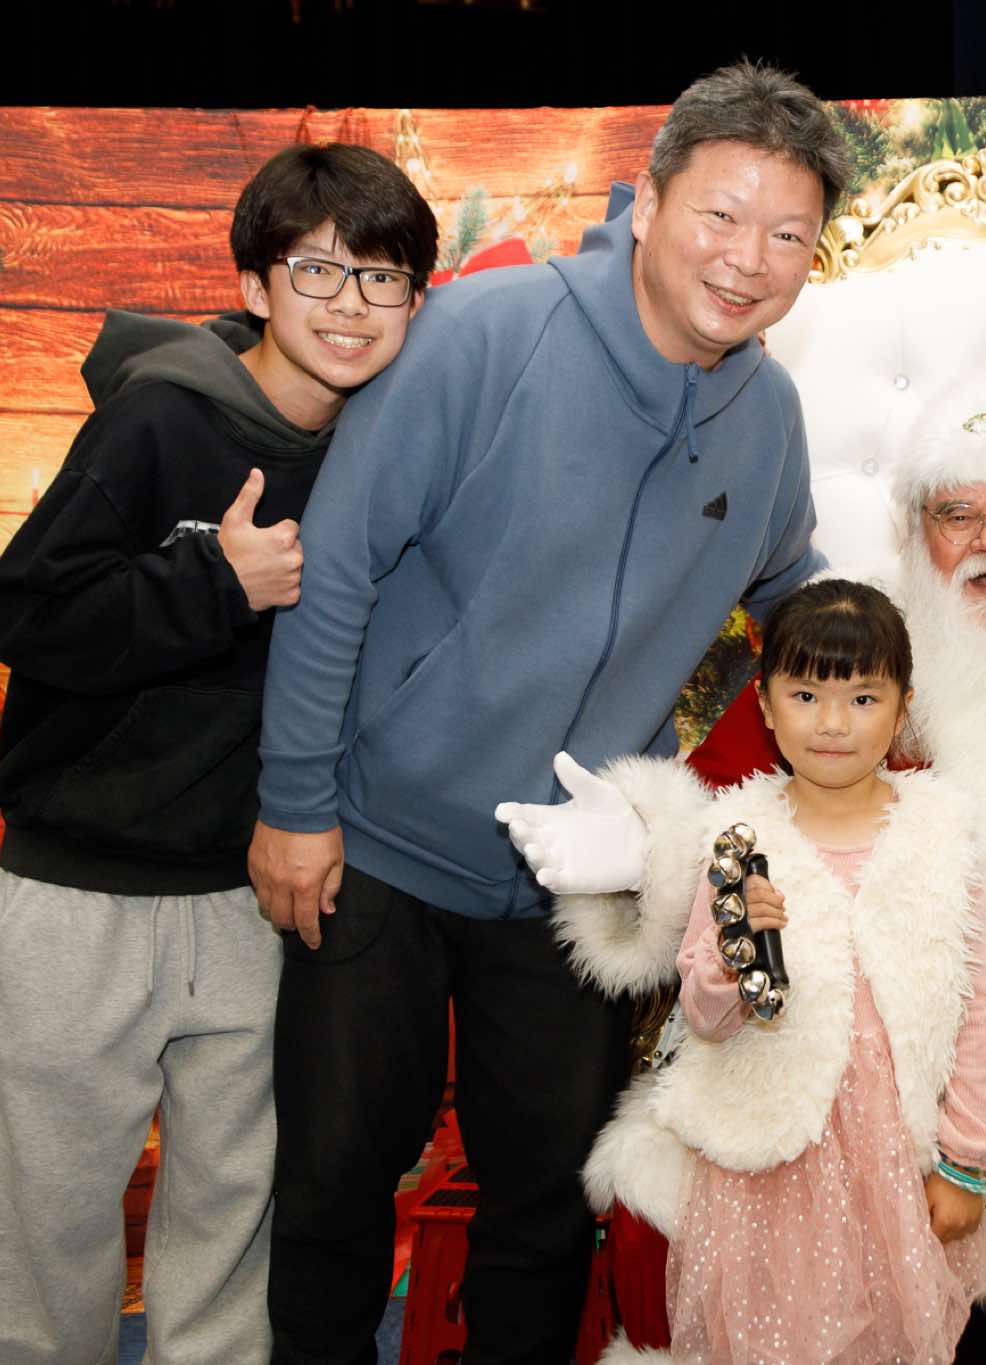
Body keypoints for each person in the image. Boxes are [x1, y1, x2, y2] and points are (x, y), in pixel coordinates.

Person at [246, 62, 850, 1363]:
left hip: (578, 883)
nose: (747, 260)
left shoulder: (770, 417)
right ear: (650, 203)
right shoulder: (485, 333)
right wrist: (293, 803)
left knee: (548, 1201)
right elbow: (336, 565)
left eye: (787, 235)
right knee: (335, 1184)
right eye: (721, 215)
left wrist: (882, 701)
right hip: (379, 845)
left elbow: (795, 599)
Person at [514, 382, 986, 1364]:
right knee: (660, 1205)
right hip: (852, 1043)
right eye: (956, 514)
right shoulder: (853, 673)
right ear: (917, 530)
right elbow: (719, 811)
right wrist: (635, 852)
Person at [0, 144, 437, 1363]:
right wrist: (209, 581)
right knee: (49, 1219)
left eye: (382, 277)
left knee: (232, 1219)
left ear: (415, 300)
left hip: (253, 896)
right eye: (317, 270)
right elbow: (24, 612)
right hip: (83, 889)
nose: (349, 304)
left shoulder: (389, 447)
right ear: (254, 284)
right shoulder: (159, 417)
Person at [650, 578, 986, 1363]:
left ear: (902, 708)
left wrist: (965, 1160)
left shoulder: (940, 833)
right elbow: (702, 1013)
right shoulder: (739, 838)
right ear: (765, 705)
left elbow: (981, 1006)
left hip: (897, 1156)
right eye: (806, 695)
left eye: (863, 698)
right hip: (770, 1164)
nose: (834, 723)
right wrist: (736, 955)